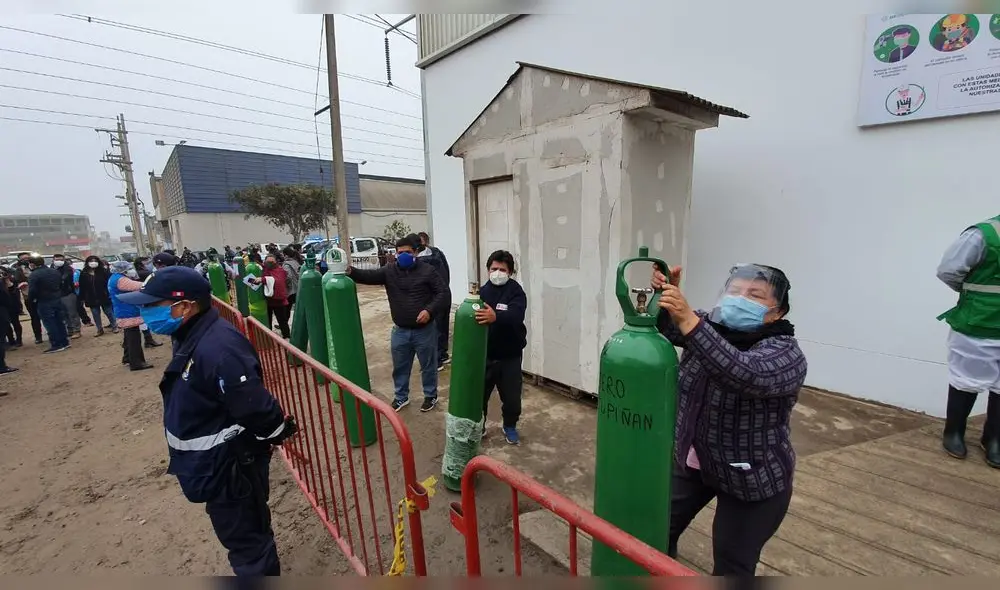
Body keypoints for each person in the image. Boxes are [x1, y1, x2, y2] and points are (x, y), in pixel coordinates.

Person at [118, 266, 298, 576]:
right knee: (242, 534)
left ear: (184, 306)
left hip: (231, 468)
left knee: (248, 545)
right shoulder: (189, 334)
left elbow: (253, 404)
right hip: (212, 465)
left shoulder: (219, 347)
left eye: (152, 305)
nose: (146, 312)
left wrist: (275, 430)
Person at [652, 262, 806, 576]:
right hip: (694, 462)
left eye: (755, 295)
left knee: (732, 563)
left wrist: (689, 320)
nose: (740, 299)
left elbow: (745, 373)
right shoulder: (710, 326)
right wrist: (665, 297)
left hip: (752, 478)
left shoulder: (786, 354)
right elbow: (668, 328)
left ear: (778, 312)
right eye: (734, 290)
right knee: (655, 530)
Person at [349, 234, 448, 412]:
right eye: (400, 252)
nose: (403, 255)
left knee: (428, 366)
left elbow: (443, 292)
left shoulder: (427, 270)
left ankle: (430, 396)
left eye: (407, 252)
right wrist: (350, 271)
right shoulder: (389, 271)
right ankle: (401, 397)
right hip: (400, 331)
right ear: (395, 253)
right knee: (400, 367)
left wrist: (429, 310)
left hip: (424, 330)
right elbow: (368, 276)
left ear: (415, 252)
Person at [936, 215, 1000, 469]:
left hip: (980, 318)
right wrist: (974, 295)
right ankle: (954, 432)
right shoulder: (982, 235)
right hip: (978, 323)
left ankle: (994, 438)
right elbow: (948, 271)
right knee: (966, 378)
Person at [477, 250, 528, 445]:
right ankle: (479, 425)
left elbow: (517, 315)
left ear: (510, 272)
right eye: (493, 269)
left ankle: (510, 425)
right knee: (480, 395)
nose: (497, 273)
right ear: (488, 270)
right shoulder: (482, 293)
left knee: (512, 398)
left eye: (502, 270)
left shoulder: (516, 292)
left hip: (510, 356)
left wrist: (496, 316)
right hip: (486, 355)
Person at [108, 260, 154, 371]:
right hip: (128, 311)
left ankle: (128, 357)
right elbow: (139, 286)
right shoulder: (121, 279)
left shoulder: (114, 277)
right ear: (122, 270)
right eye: (128, 268)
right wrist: (153, 283)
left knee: (128, 336)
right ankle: (137, 363)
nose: (131, 270)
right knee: (134, 338)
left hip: (123, 309)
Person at [417, 231, 452, 370]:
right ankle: (442, 355)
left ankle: (436, 360)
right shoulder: (438, 253)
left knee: (433, 329)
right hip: (445, 294)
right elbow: (447, 272)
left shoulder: (419, 262)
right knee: (442, 327)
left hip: (433, 299)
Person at [26, 256, 70, 354]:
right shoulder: (54, 271)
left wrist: (30, 300)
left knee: (50, 323)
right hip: (57, 298)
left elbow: (32, 290)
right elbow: (61, 284)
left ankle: (56, 344)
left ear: (32, 264)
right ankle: (64, 342)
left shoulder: (34, 275)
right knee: (59, 321)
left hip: (44, 301)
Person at [79, 255, 117, 336]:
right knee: (95, 314)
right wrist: (82, 297)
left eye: (95, 261)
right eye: (91, 261)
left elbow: (109, 283)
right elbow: (82, 286)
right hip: (91, 297)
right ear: (87, 263)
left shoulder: (104, 271)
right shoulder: (84, 273)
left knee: (109, 312)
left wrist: (109, 293)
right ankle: (99, 329)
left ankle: (114, 326)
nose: (93, 263)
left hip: (104, 295)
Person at [12, 253, 40, 345]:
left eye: (27, 258)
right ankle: (38, 336)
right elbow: (16, 281)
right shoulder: (18, 269)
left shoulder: (37, 267)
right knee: (34, 317)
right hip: (28, 296)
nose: (26, 260)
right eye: (23, 259)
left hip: (41, 295)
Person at [52, 254, 82, 339]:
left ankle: (77, 330)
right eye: (57, 259)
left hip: (68, 293)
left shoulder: (68, 269)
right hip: (57, 294)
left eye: (61, 260)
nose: (59, 261)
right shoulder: (51, 269)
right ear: (53, 260)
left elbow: (65, 279)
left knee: (72, 313)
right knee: (63, 314)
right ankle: (70, 330)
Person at [261, 254, 291, 339]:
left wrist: (263, 279)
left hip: (278, 301)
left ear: (276, 262)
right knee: (268, 320)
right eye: (268, 262)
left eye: (272, 262)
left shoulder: (280, 270)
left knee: (282, 321)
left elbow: (278, 281)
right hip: (267, 300)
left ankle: (287, 337)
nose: (269, 264)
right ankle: (268, 336)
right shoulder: (263, 269)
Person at [281, 247, 301, 311]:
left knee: (287, 310)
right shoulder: (296, 262)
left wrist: (287, 287)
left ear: (286, 255)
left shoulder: (286, 265)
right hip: (298, 287)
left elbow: (288, 277)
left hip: (291, 290)